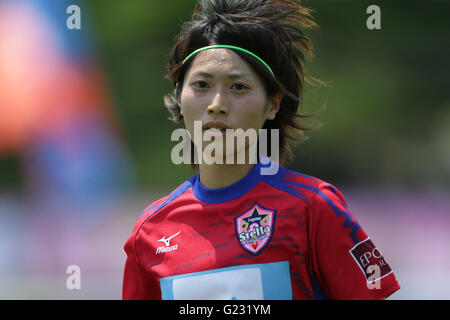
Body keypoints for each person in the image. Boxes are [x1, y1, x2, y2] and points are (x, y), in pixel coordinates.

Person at [122, 0, 400, 300]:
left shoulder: (313, 207)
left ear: (273, 104)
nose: (216, 104)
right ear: (180, 97)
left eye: (238, 87)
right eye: (201, 84)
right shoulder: (151, 231)